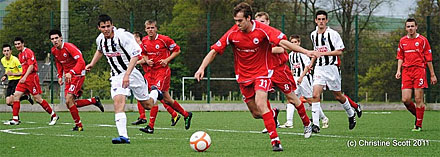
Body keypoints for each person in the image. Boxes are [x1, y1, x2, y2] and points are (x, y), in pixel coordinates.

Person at [194, 3, 316, 151]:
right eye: (235, 21)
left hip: (263, 73)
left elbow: (283, 43)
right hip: (244, 77)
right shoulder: (232, 33)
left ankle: (277, 140)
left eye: (240, 21)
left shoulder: (262, 30)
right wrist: (201, 68)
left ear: (249, 18)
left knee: (270, 100)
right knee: (256, 113)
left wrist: (305, 51)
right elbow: (214, 51)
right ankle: (272, 115)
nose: (237, 24)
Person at [85, 14, 162, 144]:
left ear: (112, 25)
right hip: (116, 75)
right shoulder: (100, 40)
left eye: (108, 26)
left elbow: (136, 54)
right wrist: (92, 63)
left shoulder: (122, 36)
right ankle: (124, 136)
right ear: (99, 27)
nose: (106, 29)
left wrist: (127, 74)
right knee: (118, 103)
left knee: (148, 105)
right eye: (103, 27)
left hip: (132, 73)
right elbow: (100, 51)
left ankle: (155, 92)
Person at [254, 12, 313, 137]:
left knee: (292, 99)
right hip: (265, 71)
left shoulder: (273, 33)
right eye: (257, 22)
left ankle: (307, 124)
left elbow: (282, 48)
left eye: (262, 21)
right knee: (261, 100)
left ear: (268, 22)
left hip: (279, 71)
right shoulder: (255, 37)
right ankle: (271, 119)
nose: (260, 24)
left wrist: (264, 50)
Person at [309, 10, 361, 133]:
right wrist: (311, 63)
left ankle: (350, 113)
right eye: (319, 19)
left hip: (332, 68)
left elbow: (339, 51)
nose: (321, 21)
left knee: (338, 96)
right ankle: (316, 125)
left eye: (323, 19)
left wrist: (323, 53)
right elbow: (316, 52)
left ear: (326, 20)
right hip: (319, 68)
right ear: (315, 21)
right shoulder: (313, 34)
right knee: (315, 95)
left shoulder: (333, 34)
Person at [137, 20, 192, 133]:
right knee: (166, 99)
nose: (150, 30)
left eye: (152, 28)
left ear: (156, 28)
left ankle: (151, 126)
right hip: (151, 73)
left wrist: (167, 60)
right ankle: (186, 114)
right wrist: (147, 60)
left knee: (154, 92)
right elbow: (143, 53)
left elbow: (177, 50)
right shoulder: (144, 41)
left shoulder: (164, 39)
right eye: (148, 28)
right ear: (145, 29)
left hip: (162, 71)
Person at [49, 29, 104, 131]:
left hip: (78, 75)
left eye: (56, 38)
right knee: (69, 103)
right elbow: (59, 63)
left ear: (61, 38)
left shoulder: (69, 47)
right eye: (52, 39)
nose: (55, 40)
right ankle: (93, 101)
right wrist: (60, 76)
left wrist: (72, 72)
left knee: (69, 99)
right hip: (69, 77)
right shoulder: (54, 51)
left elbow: (81, 62)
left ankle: (79, 125)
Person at [3, 37, 59, 125]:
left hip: (31, 78)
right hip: (23, 79)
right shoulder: (20, 55)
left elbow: (31, 66)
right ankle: (15, 119)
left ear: (23, 44)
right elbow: (22, 68)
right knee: (16, 96)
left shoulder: (28, 52)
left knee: (38, 99)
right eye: (16, 44)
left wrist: (24, 76)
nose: (17, 46)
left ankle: (54, 115)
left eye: (19, 44)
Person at [131, 31, 181, 128]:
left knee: (156, 97)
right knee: (153, 97)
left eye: (134, 38)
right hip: (149, 74)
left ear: (138, 39)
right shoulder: (141, 47)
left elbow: (145, 59)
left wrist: (137, 62)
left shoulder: (144, 45)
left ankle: (147, 120)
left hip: (154, 74)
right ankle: (144, 117)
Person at [395, 18, 437, 132]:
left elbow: (428, 59)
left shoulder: (423, 40)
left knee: (418, 99)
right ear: (406, 28)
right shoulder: (402, 41)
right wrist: (398, 70)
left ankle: (418, 125)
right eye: (408, 26)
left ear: (416, 27)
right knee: (406, 99)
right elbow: (400, 57)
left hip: (419, 71)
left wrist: (432, 74)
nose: (410, 28)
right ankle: (418, 116)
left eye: (412, 26)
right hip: (406, 72)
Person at [283, 35, 329, 129]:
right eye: (292, 42)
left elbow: (307, 66)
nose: (294, 44)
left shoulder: (303, 53)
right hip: (295, 79)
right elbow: (293, 67)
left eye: (295, 42)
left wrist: (301, 77)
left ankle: (324, 118)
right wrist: (291, 76)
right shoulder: (291, 55)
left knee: (311, 101)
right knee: (290, 99)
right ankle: (289, 122)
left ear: (299, 43)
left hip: (304, 79)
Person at [2, 44, 34, 108]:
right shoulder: (2, 60)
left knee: (12, 100)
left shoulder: (15, 60)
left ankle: (16, 117)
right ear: (3, 52)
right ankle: (25, 97)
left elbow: (22, 72)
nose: (6, 52)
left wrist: (13, 74)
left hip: (17, 80)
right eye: (5, 51)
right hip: (10, 81)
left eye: (8, 50)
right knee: (8, 102)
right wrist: (5, 76)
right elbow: (7, 70)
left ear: (11, 51)